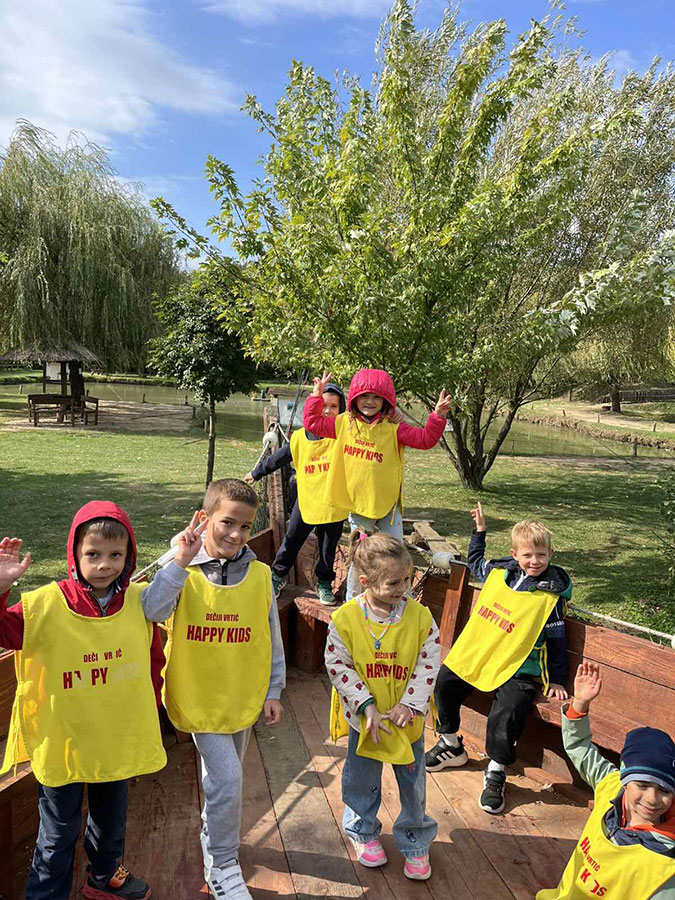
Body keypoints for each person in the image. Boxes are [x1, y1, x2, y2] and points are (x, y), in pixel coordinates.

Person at [0, 500, 199, 900]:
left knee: (110, 820)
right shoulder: (47, 605)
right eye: (93, 554)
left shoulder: (139, 602)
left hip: (114, 739)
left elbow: (158, 629)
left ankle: (104, 877)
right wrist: (1, 588)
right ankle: (46, 894)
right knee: (57, 834)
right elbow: (5, 631)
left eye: (115, 555)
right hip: (64, 743)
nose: (105, 565)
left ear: (128, 557)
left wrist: (181, 559)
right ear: (74, 555)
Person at [142, 478, 286, 900]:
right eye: (227, 523)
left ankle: (211, 832)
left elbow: (271, 636)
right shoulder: (182, 568)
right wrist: (179, 562)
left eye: (245, 526)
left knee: (223, 778)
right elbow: (152, 608)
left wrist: (274, 689)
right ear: (204, 519)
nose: (237, 535)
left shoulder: (260, 575)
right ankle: (222, 864)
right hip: (197, 695)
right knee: (228, 778)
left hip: (241, 694)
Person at [426, 502, 571, 815]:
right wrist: (479, 531)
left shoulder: (551, 596)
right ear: (515, 554)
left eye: (541, 555)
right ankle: (450, 743)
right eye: (528, 555)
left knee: (508, 710)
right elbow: (476, 564)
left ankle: (496, 770)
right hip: (484, 655)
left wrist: (557, 679)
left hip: (519, 667)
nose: (535, 561)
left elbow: (558, 641)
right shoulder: (501, 573)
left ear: (551, 554)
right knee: (445, 682)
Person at [326, 533, 441, 881]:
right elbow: (338, 664)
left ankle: (416, 840)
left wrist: (410, 704)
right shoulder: (345, 619)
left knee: (413, 782)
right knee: (361, 779)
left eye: (407, 579)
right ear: (366, 582)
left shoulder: (420, 617)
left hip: (407, 720)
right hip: (366, 721)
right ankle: (363, 830)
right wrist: (366, 706)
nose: (403, 588)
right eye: (393, 583)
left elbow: (429, 661)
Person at [303, 368, 450, 600]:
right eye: (364, 396)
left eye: (376, 397)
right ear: (354, 398)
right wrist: (316, 396)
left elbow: (425, 440)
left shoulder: (394, 428)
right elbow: (312, 423)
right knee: (360, 559)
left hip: (388, 507)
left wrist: (437, 417)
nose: (370, 401)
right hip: (359, 507)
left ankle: (403, 603)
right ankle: (353, 602)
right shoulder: (343, 424)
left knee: (397, 554)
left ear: (386, 401)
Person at [537, 662, 675, 899]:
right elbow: (580, 748)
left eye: (665, 790)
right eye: (642, 785)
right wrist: (580, 703)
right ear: (625, 779)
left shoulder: (664, 868)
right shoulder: (611, 785)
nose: (652, 799)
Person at [244, 383, 347, 605]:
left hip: (334, 504)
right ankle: (278, 575)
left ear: (342, 410)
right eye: (323, 405)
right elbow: (278, 458)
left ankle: (324, 583)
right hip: (307, 501)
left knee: (328, 548)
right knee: (291, 540)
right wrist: (256, 472)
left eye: (334, 406)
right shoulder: (300, 438)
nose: (327, 410)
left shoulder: (344, 437)